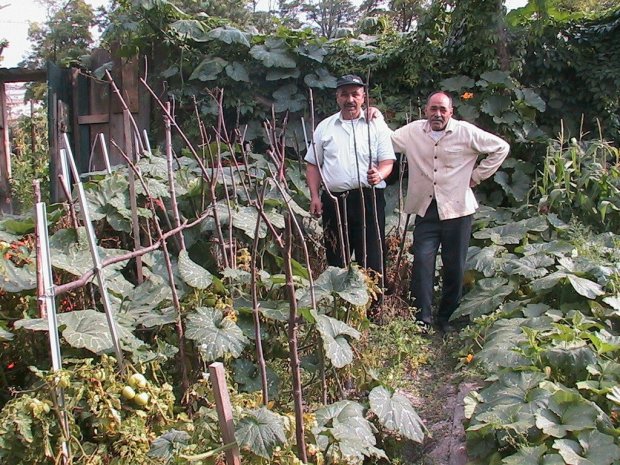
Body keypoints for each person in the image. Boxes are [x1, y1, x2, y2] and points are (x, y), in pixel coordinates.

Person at [390, 91, 510, 332]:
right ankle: (422, 319)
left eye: (442, 110)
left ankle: (447, 317)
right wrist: (373, 118)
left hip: (458, 209)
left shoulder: (465, 132)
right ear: (426, 110)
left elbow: (501, 147)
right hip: (426, 209)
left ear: (451, 112)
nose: (438, 114)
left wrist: (477, 176)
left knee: (454, 265)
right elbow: (386, 140)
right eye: (433, 109)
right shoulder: (412, 132)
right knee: (422, 262)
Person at [305, 74, 396, 282]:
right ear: (337, 98)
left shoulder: (376, 125)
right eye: (344, 95)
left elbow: (387, 162)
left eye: (355, 94)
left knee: (372, 259)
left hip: (369, 200)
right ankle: (341, 307)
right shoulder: (325, 127)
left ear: (363, 97)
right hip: (335, 201)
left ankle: (373, 311)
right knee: (336, 259)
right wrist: (315, 196)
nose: (350, 100)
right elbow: (313, 164)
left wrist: (379, 174)